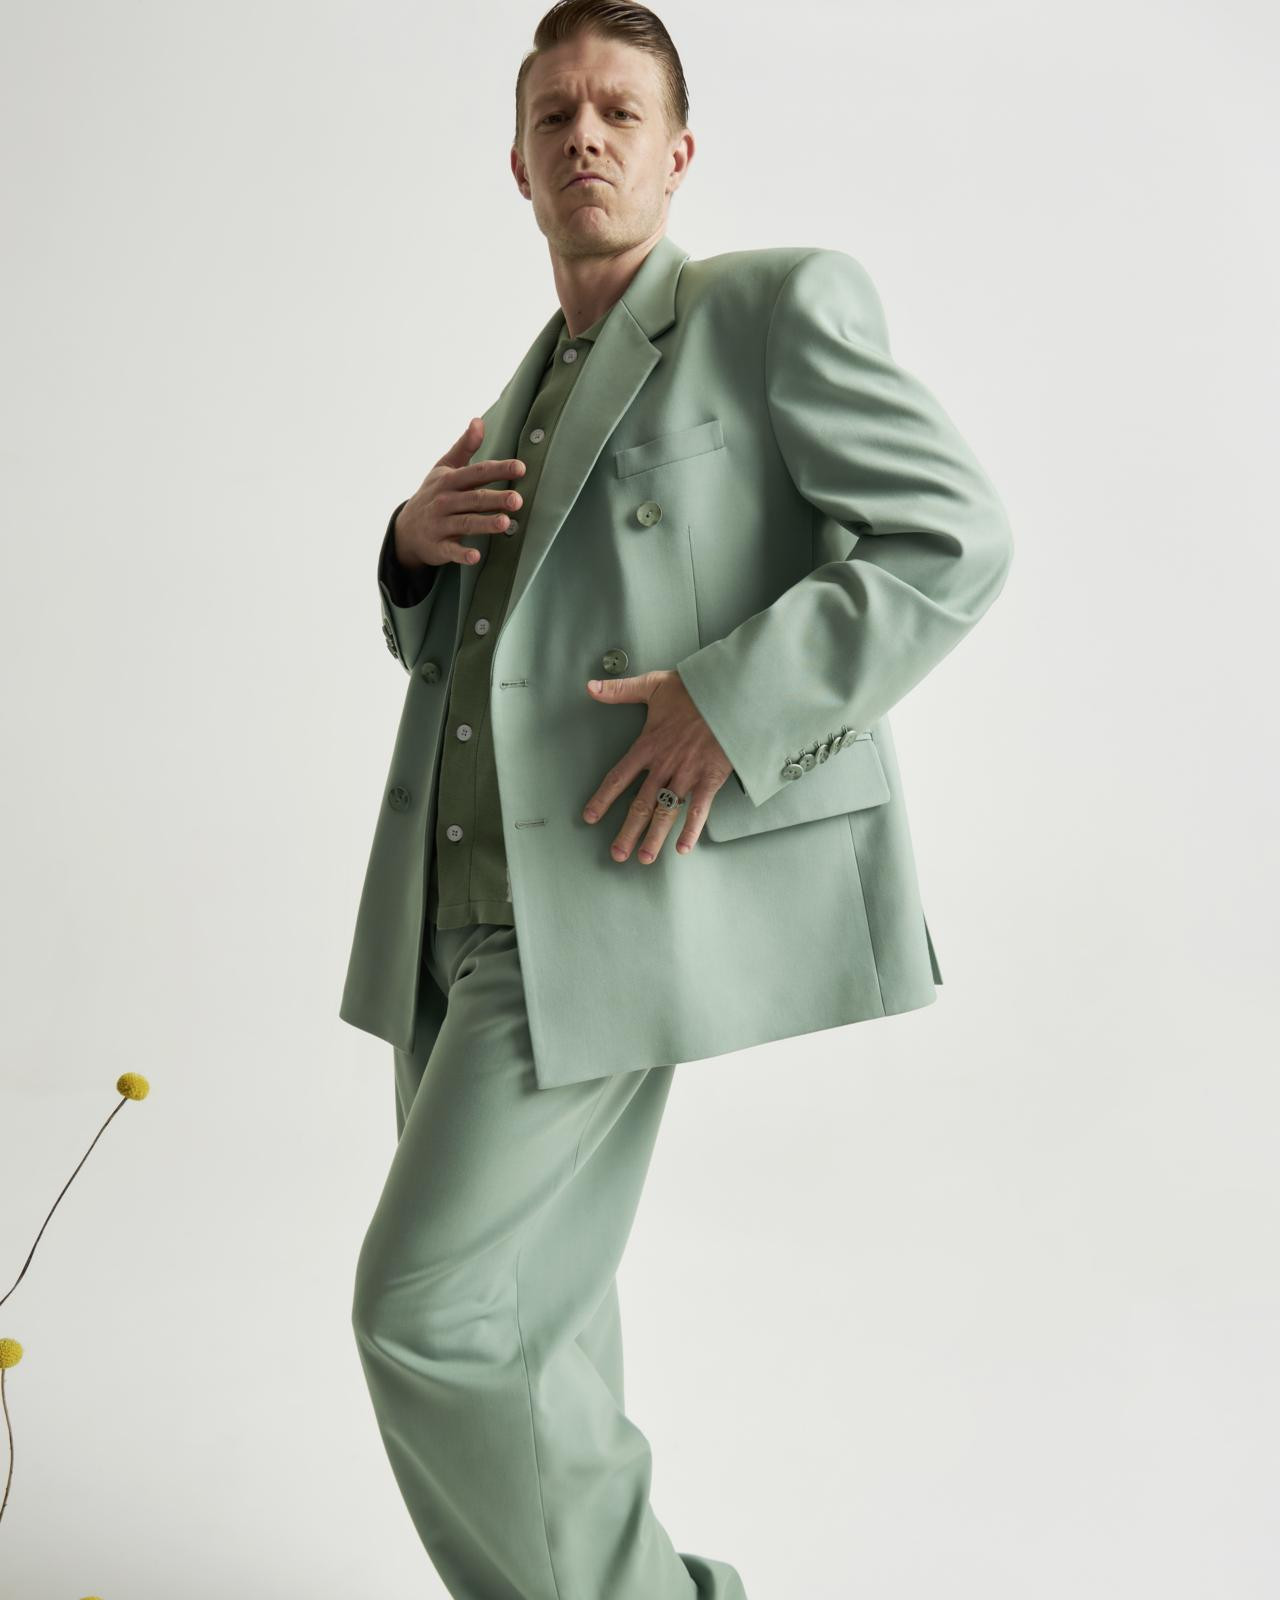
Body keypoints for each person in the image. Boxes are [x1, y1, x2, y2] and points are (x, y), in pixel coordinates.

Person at [345, 3, 1014, 1595]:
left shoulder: (767, 310)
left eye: (619, 111)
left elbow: (953, 537)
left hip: (589, 908)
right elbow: (489, 663)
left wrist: (735, 701)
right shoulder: (525, 389)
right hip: (451, 914)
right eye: (555, 115)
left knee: (423, 1310)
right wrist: (408, 555)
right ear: (519, 166)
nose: (585, 134)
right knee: (537, 1333)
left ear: (677, 151)